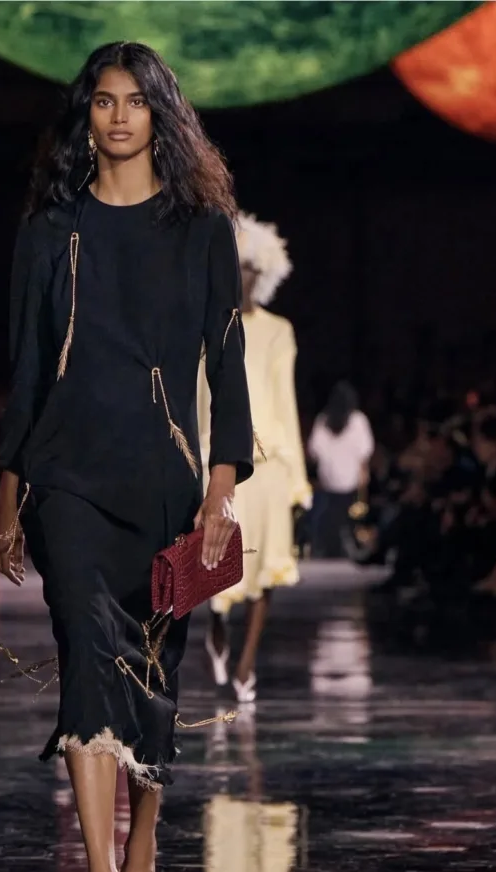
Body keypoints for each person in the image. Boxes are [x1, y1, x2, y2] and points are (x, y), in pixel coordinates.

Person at [0, 42, 254, 872]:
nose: (119, 117)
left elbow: (227, 362)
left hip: (166, 483)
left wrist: (221, 486)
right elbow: (26, 370)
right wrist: (8, 491)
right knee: (87, 666)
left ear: (161, 115)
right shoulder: (48, 231)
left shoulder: (202, 230)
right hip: (66, 480)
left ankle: (143, 845)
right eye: (102, 101)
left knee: (151, 676)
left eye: (136, 101)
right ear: (85, 116)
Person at [198, 214, 311, 703]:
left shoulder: (278, 331)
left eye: (251, 267)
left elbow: (286, 401)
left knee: (266, 570)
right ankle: (218, 625)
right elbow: (199, 397)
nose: (244, 275)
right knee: (218, 566)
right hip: (223, 462)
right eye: (238, 265)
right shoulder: (209, 327)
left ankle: (246, 664)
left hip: (270, 464)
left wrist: (298, 480)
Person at [308, 382, 374, 559]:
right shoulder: (359, 420)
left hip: (328, 484)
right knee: (349, 517)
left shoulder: (323, 420)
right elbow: (365, 453)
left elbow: (314, 451)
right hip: (351, 485)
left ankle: (326, 547)